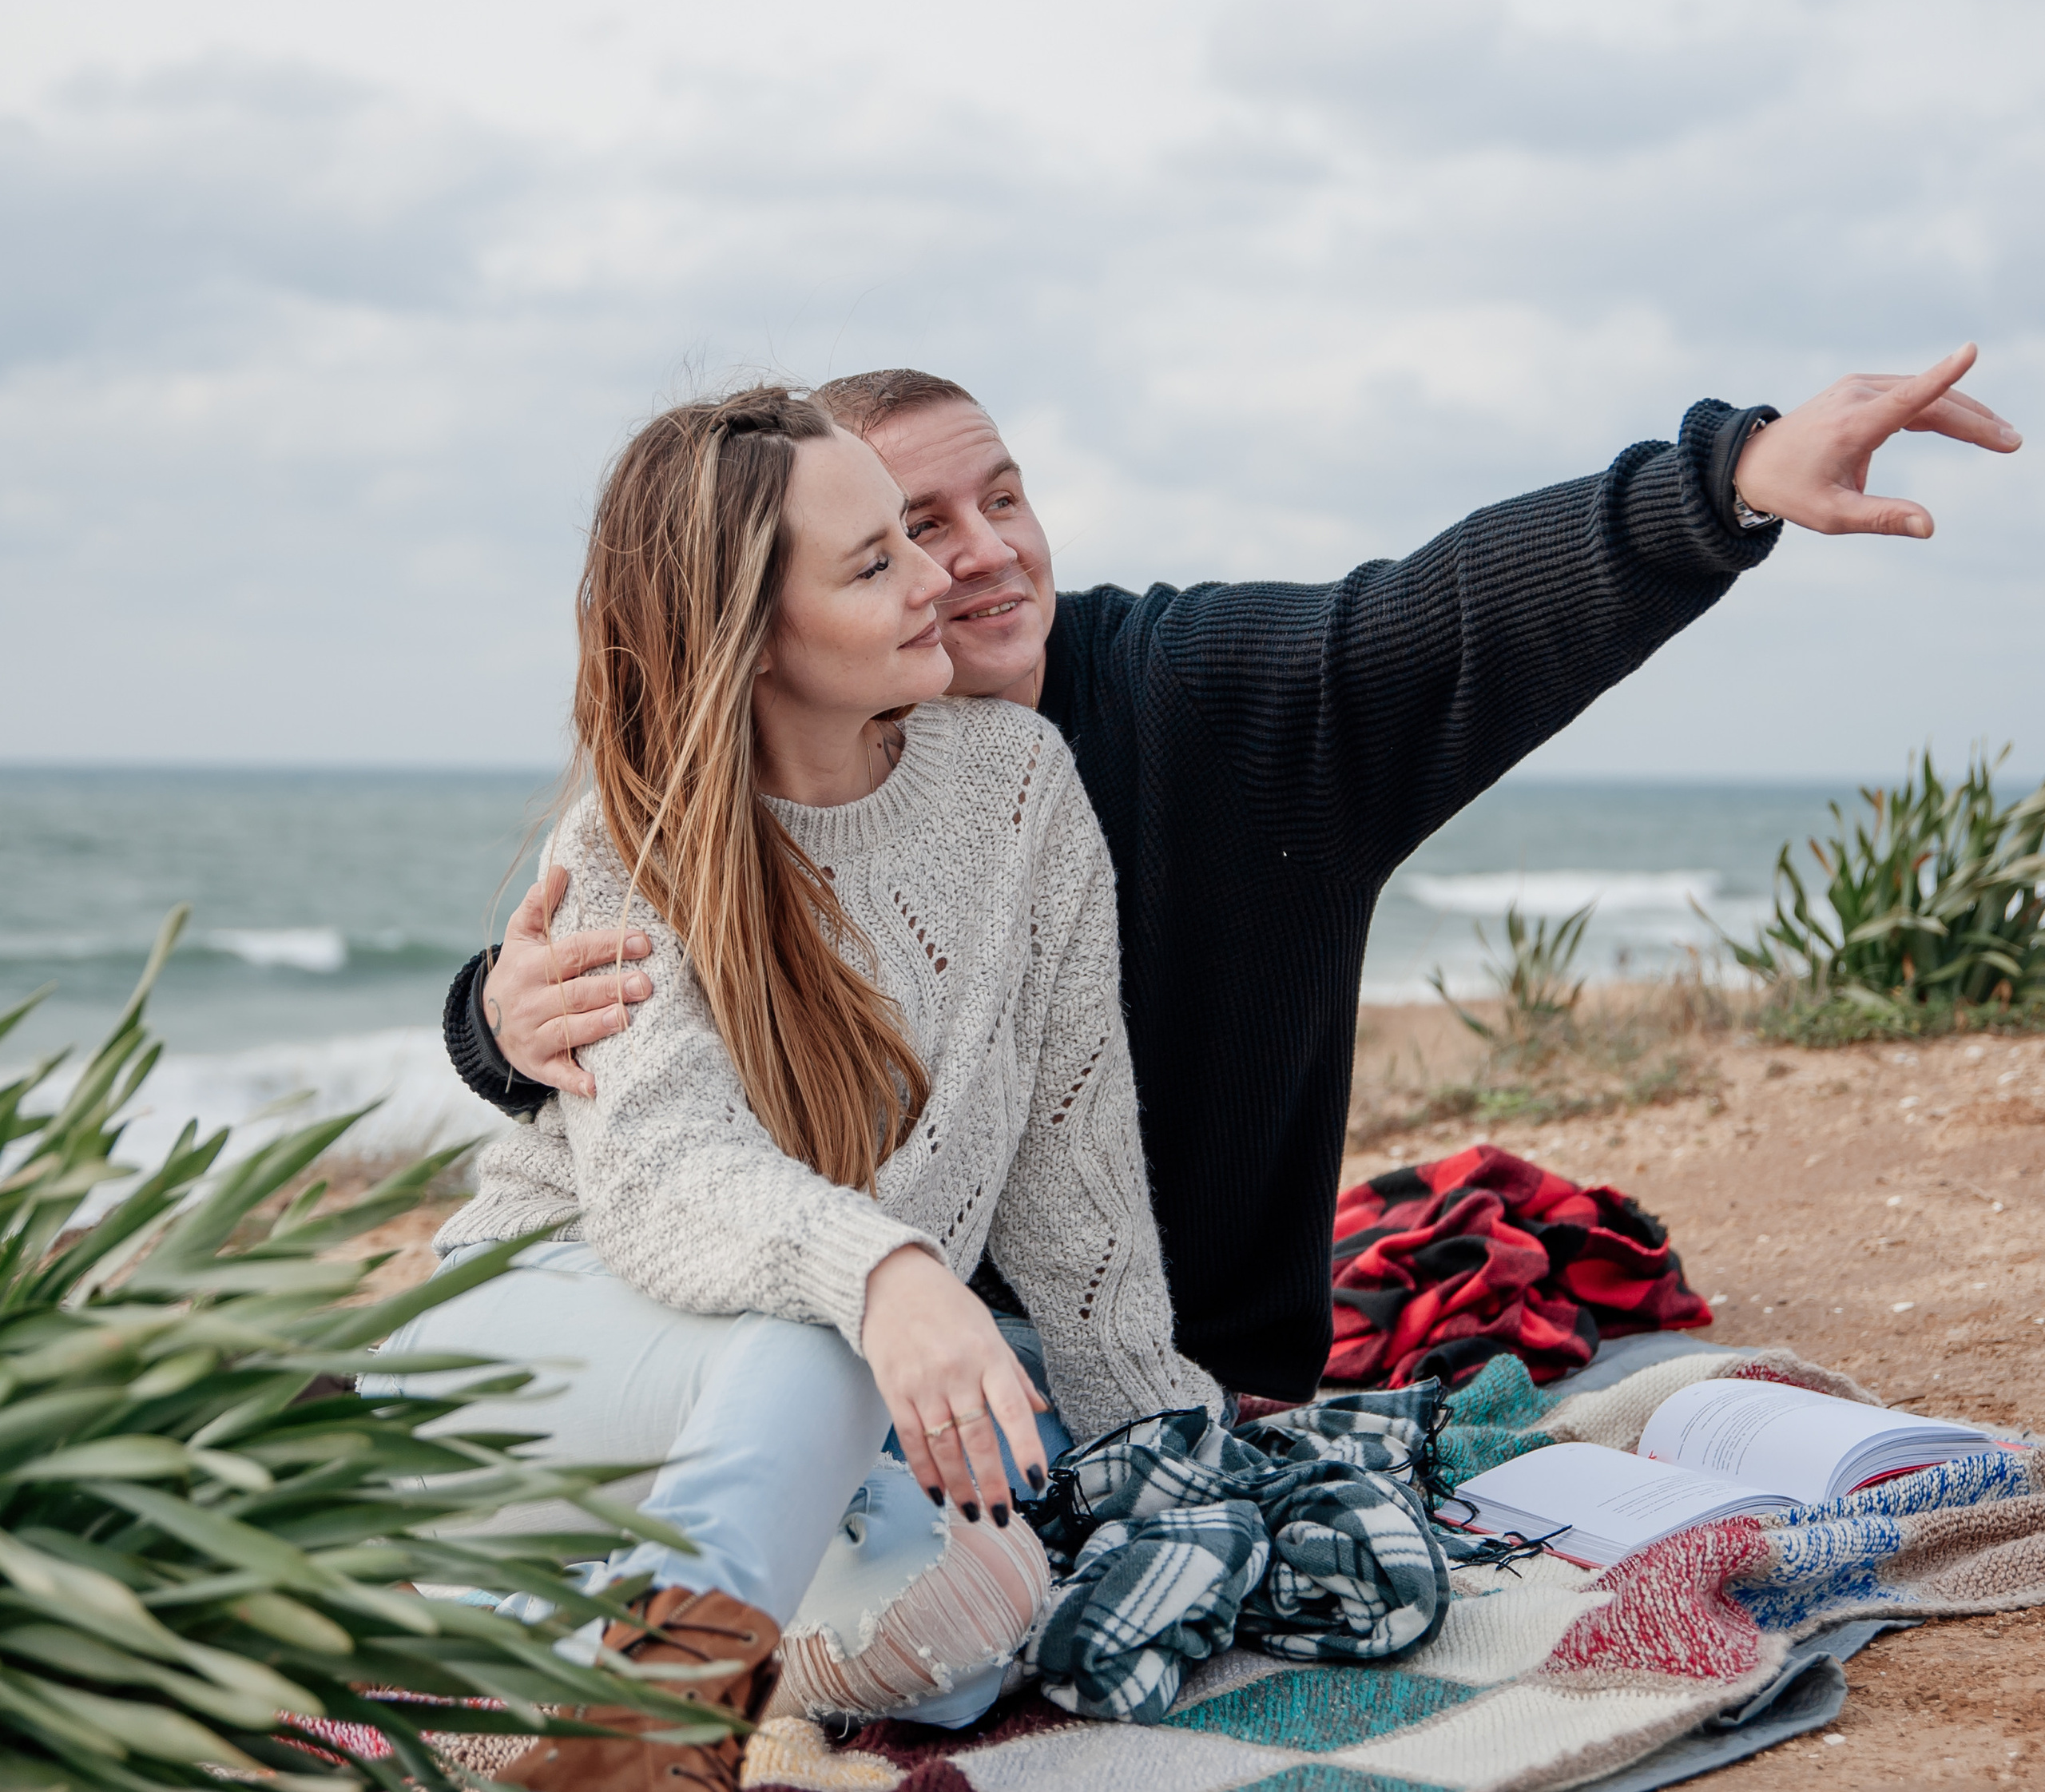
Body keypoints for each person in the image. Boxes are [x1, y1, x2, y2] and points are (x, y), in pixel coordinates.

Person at [446, 349, 2019, 1402]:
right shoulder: (755, 776)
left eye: (999, 495)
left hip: (1156, 1361)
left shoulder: (1194, 694)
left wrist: (1723, 480)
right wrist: (493, 1022)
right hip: (830, 1337)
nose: (974, 554)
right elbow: (644, 991)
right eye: (906, 529)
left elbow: (1438, 613)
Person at [376, 389, 1221, 1792]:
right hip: (529, 1339)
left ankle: (538, 1608)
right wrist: (890, 1275)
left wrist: (1149, 1427)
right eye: (877, 561)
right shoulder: (634, 841)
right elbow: (663, 1180)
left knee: (968, 1634)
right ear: (752, 640)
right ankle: (646, 1741)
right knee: (826, 1335)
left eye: (911, 537)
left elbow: (1076, 1157)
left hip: (766, 1381)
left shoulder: (1019, 787)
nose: (940, 577)